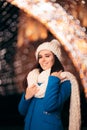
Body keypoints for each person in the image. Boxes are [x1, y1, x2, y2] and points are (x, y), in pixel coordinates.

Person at [18, 39, 81, 130]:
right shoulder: (34, 78)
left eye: (47, 56)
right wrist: (26, 97)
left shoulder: (65, 81)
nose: (43, 60)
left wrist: (53, 79)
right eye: (40, 57)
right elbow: (22, 111)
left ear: (55, 58)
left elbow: (50, 106)